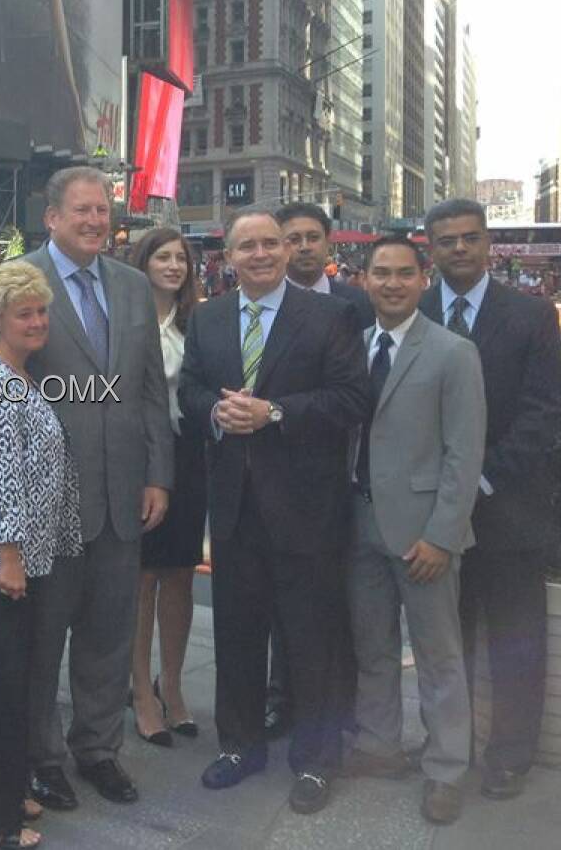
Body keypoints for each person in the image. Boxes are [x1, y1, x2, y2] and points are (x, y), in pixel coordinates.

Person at [0, 166, 173, 813]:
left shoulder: (133, 288)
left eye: (103, 211)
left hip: (123, 495)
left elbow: (152, 389)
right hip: (44, 508)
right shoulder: (18, 282)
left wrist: (159, 472)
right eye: (82, 211)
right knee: (42, 644)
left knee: (108, 635)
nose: (96, 222)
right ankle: (40, 760)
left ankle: (97, 749)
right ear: (50, 217)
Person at [178, 207, 367, 815]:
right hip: (234, 508)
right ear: (228, 257)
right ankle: (240, 745)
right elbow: (191, 389)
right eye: (246, 246)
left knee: (311, 639)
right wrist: (216, 413)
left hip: (307, 509)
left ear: (287, 251)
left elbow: (350, 398)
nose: (259, 254)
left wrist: (274, 413)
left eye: (270, 243)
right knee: (236, 633)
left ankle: (315, 760)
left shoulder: (331, 314)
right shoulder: (206, 318)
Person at [418, 198, 561, 801]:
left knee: (514, 639)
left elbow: (540, 416)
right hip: (432, 517)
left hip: (508, 512)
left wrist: (476, 481)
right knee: (445, 642)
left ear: (487, 243)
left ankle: (510, 755)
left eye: (469, 238)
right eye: (446, 240)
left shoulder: (531, 316)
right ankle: (451, 749)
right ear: (431, 247)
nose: (458, 249)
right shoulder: (411, 309)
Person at [344, 236, 485, 826]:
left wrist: (443, 534)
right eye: (382, 273)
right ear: (366, 280)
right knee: (372, 648)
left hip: (424, 534)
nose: (393, 284)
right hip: (358, 527)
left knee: (438, 655)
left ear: (423, 280)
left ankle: (447, 768)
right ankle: (379, 744)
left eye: (405, 274)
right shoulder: (351, 346)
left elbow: (464, 453)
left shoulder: (454, 353)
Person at [0, 261, 82, 849]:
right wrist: (10, 557)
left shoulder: (14, 373)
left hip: (18, 557)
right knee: (0, 689)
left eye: (41, 311)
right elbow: (2, 477)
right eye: (24, 312)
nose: (37, 321)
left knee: (8, 684)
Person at [268, 203, 373, 737]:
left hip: (345, 473)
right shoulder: (259, 307)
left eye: (313, 237)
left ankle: (340, 707)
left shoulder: (359, 305)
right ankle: (281, 697)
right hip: (279, 477)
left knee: (340, 600)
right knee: (283, 601)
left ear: (329, 244)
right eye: (293, 238)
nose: (303, 246)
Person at [126, 229, 206, 747]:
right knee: (141, 580)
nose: (174, 265)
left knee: (179, 574)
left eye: (181, 258)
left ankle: (171, 685)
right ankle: (139, 691)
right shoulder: (125, 322)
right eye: (163, 256)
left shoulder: (199, 324)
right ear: (143, 262)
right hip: (136, 458)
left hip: (190, 455)